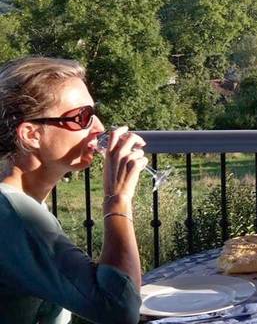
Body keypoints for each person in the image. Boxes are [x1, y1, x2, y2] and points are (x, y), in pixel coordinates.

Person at [0, 57, 147, 324]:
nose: (99, 128)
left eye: (94, 113)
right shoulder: (15, 216)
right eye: (82, 118)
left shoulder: (16, 206)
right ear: (31, 134)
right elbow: (121, 311)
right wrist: (118, 202)